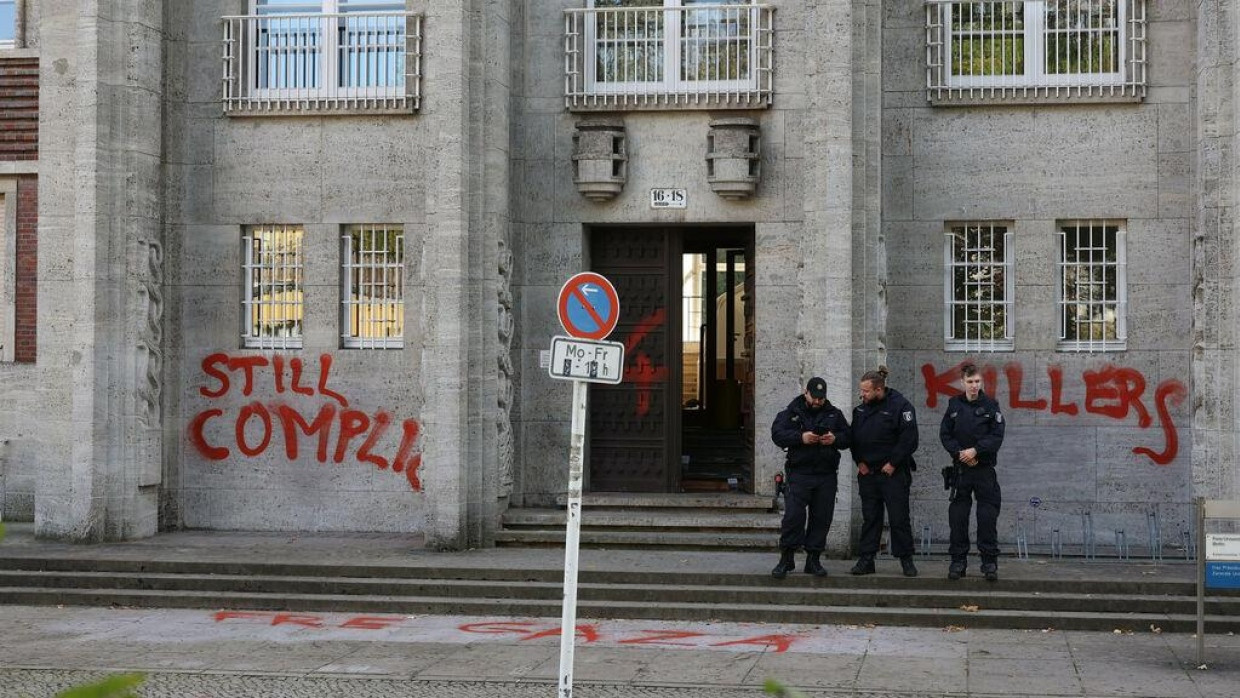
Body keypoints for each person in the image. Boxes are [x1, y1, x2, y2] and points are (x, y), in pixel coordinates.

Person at [769, 377, 851, 578]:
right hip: (800, 473)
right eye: (814, 397)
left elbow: (848, 437)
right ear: (806, 392)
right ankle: (786, 558)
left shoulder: (834, 414)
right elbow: (777, 434)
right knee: (794, 516)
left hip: (826, 475)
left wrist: (834, 439)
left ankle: (813, 559)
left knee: (822, 517)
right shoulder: (791, 412)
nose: (817, 402)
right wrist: (801, 438)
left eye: (821, 399)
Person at [849, 367, 920, 577]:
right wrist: (858, 461)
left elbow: (909, 440)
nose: (862, 395)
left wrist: (893, 463)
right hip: (868, 473)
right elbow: (854, 438)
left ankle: (906, 559)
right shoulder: (860, 410)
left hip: (893, 472)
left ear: (879, 389)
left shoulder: (901, 406)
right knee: (871, 518)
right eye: (861, 391)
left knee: (899, 518)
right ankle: (866, 559)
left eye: (866, 391)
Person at [939, 362, 1006, 581]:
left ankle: (989, 563)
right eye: (970, 382)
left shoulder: (990, 405)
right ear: (963, 383)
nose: (974, 386)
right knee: (958, 518)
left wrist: (976, 451)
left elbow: (996, 436)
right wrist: (960, 453)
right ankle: (958, 562)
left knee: (987, 517)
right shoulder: (954, 405)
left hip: (984, 470)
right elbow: (945, 435)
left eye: (977, 381)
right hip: (961, 471)